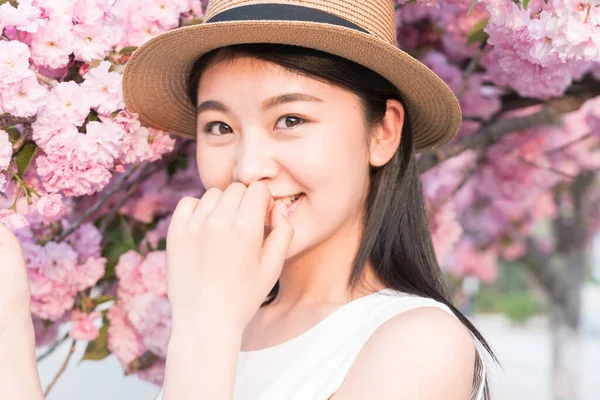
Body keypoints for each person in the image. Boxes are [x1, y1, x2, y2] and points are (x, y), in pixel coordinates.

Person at [0, 1, 498, 399]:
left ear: (383, 133)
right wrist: (10, 324)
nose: (247, 167)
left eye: (291, 120)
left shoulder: (417, 342)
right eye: (220, 127)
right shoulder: (228, 315)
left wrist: (206, 325)